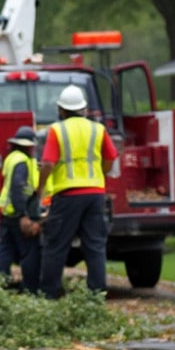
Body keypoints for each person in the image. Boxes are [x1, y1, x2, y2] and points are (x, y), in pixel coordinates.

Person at [35, 85, 117, 299]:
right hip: (95, 194)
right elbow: (111, 157)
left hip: (68, 195)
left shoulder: (57, 130)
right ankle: (96, 297)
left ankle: (49, 296)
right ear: (84, 109)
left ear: (61, 110)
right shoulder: (98, 129)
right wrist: (100, 173)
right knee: (95, 247)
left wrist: (40, 188)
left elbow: (47, 164)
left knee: (56, 246)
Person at [0, 125, 41, 293]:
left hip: (8, 213)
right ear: (29, 146)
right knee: (29, 253)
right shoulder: (22, 162)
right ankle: (30, 290)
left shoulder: (12, 158)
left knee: (5, 251)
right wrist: (24, 215)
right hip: (19, 213)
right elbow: (18, 188)